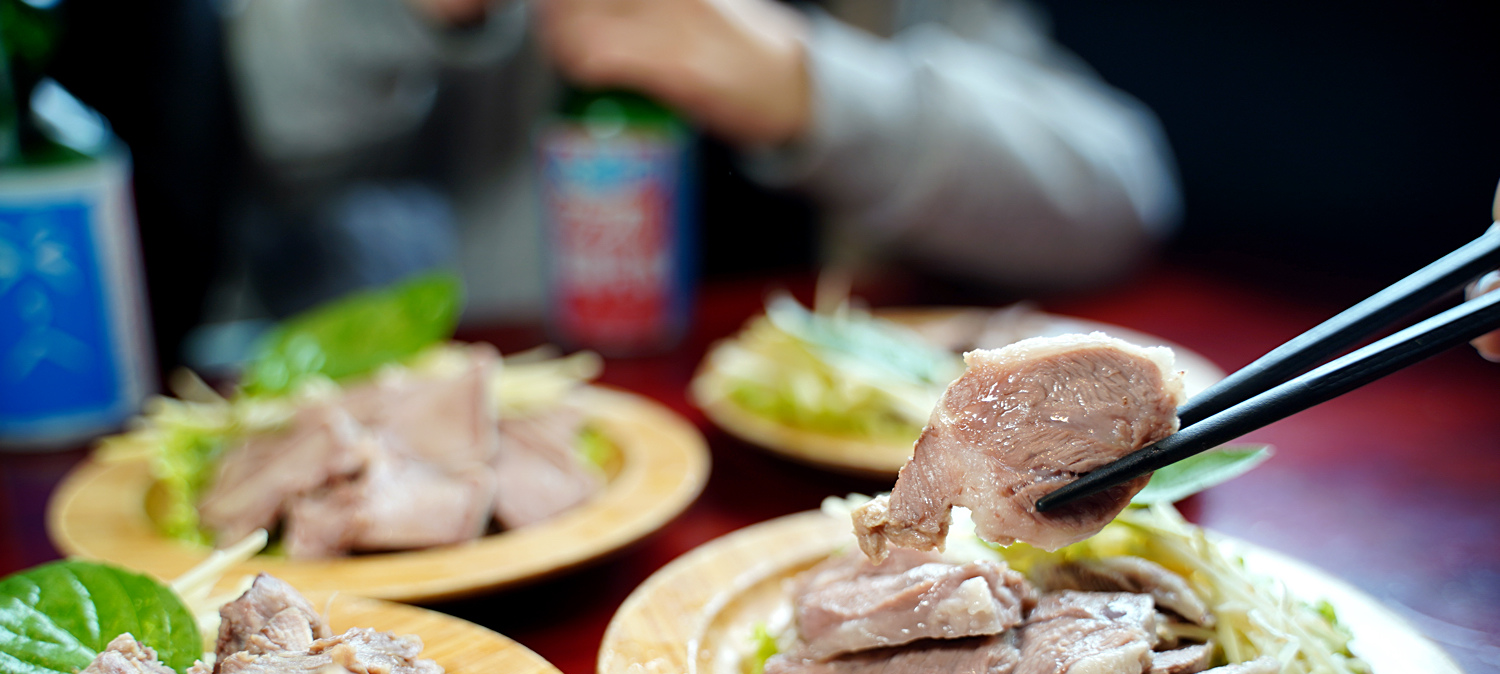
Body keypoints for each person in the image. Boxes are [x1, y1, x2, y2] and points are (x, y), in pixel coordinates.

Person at [221, 0, 1181, 319]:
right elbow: (252, 159)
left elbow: (1117, 192)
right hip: (541, 443)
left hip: (856, 472)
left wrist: (804, 85)